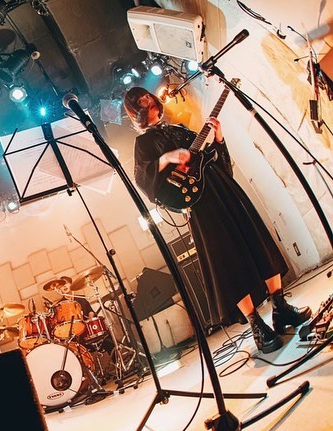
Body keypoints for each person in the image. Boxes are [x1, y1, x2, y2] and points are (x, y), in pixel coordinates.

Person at [124, 86, 311, 353]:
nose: (147, 99)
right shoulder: (143, 144)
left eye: (147, 96)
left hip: (223, 190)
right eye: (140, 100)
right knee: (227, 262)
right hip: (201, 207)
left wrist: (219, 138)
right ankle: (256, 325)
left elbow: (220, 164)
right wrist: (166, 158)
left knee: (257, 241)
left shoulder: (179, 129)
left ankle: (280, 308)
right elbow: (143, 180)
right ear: (136, 111)